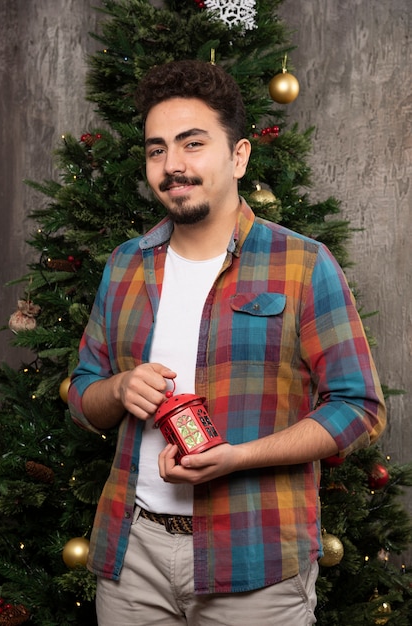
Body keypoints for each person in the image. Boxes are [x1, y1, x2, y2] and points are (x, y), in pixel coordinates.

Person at [68, 59, 386, 626]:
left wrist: (238, 457)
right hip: (131, 557)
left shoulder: (303, 265)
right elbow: (83, 396)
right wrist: (117, 388)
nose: (172, 166)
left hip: (254, 560)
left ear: (238, 155)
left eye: (193, 144)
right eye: (156, 149)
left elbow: (358, 407)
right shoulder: (125, 267)